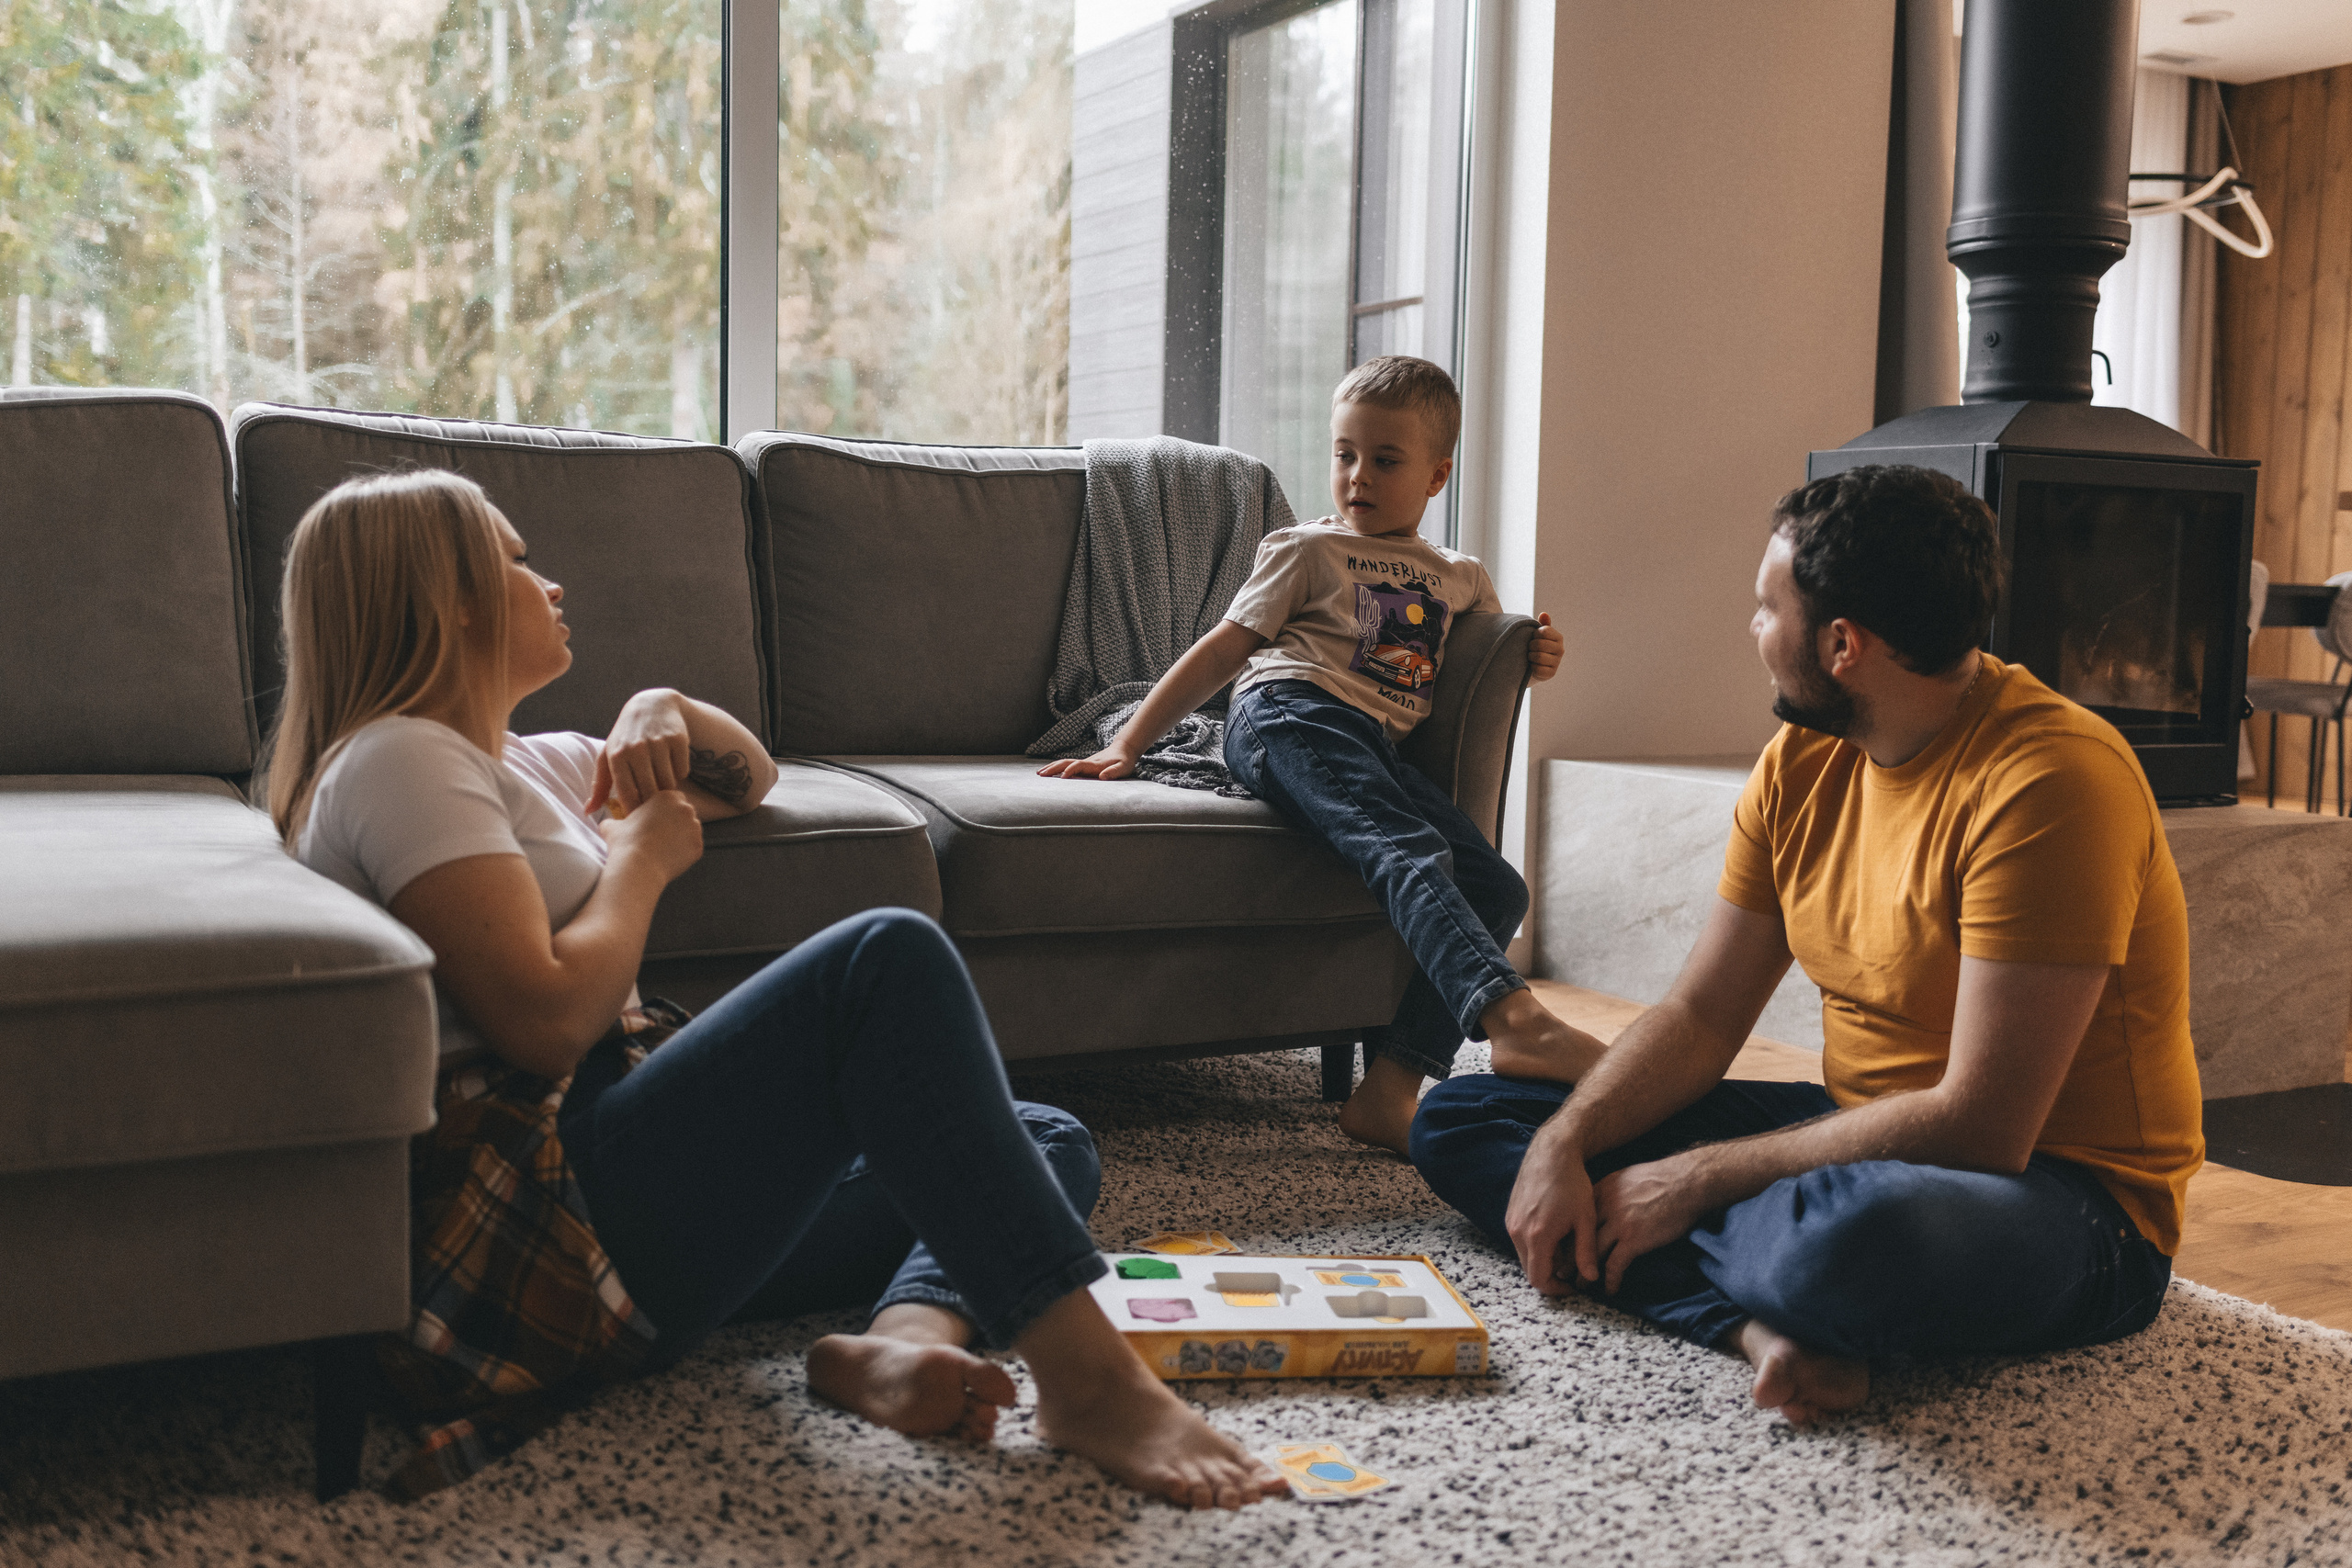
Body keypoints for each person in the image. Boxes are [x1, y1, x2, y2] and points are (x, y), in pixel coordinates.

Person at [267, 468, 1283, 1507]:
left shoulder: (521, 761)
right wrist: (642, 861)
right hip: (541, 1229)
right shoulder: (401, 758)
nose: (555, 584)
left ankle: (893, 1346)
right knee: (881, 962)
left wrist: (660, 704)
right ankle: (1087, 1381)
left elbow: (743, 776)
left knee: (1037, 1139)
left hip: (614, 1199)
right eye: (521, 562)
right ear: (452, 599)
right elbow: (543, 1023)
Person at [1411, 463, 2203, 1423]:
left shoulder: (2049, 784)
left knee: (1840, 1245)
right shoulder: (1807, 753)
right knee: (1468, 1122)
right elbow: (1703, 1016)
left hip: (2066, 1202)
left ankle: (1745, 1270)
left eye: (1763, 608)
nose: (1751, 630)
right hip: (1861, 1128)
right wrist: (1571, 1138)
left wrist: (1694, 1178)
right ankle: (1756, 1326)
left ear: (1841, 644)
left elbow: (1984, 1125)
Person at [1041, 355, 1600, 1153]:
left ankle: (1392, 1086)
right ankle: (1512, 1015)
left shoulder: (1460, 577)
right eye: (1344, 455)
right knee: (1407, 846)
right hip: (1287, 712)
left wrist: (1534, 654)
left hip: (1371, 744)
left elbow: (1485, 664)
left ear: (1439, 475)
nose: (1357, 476)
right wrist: (1130, 742)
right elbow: (1220, 652)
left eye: (1385, 459)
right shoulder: (1305, 549)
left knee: (1495, 884)